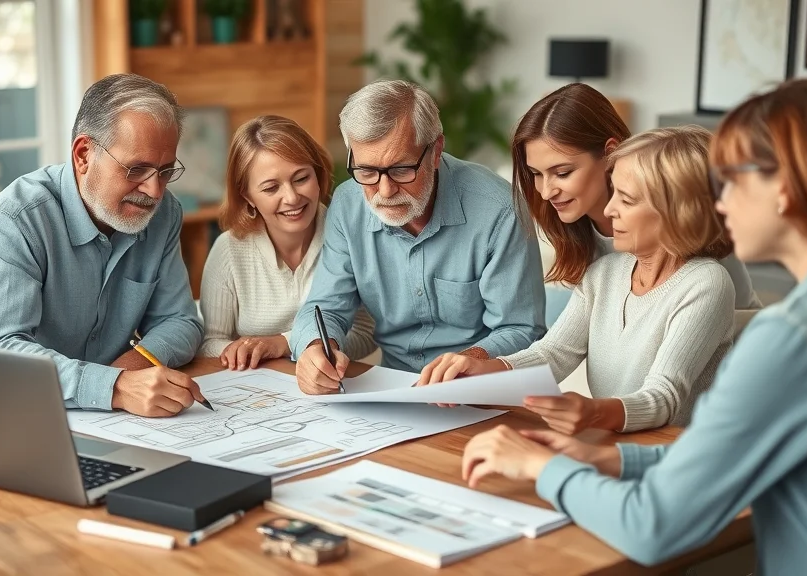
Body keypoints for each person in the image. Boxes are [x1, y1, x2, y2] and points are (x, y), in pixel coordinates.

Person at [459, 79, 807, 574]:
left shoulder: (790, 335)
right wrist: (610, 461)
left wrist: (541, 467)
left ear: (784, 191)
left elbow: (653, 525)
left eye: (732, 181)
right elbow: (721, 456)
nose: (717, 199)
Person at [419, 127, 735, 433]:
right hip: (610, 443)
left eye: (626, 199)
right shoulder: (604, 273)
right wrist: (485, 371)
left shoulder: (706, 283)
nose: (610, 210)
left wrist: (591, 412)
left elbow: (664, 396)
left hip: (670, 456)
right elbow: (552, 354)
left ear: (678, 210)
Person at [0, 73, 205, 418]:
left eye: (165, 172)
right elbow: (3, 352)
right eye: (136, 170)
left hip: (109, 415)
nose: (155, 191)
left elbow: (180, 320)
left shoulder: (164, 214)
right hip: (7, 410)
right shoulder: (15, 219)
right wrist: (114, 386)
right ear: (84, 155)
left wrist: (130, 368)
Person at [288, 79, 546, 394]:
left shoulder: (500, 210)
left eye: (400, 169)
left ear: (436, 151)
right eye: (367, 171)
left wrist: (470, 361)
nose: (384, 191)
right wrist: (315, 346)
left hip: (482, 393)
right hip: (392, 391)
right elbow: (326, 306)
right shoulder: (347, 203)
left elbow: (520, 328)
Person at [511, 83, 759, 322]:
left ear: (610, 152)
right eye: (536, 174)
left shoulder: (675, 212)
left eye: (563, 173)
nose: (545, 192)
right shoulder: (567, 228)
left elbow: (741, 311)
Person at [199, 115, 376, 368]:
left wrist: (284, 343)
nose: (292, 198)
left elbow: (368, 332)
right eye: (271, 188)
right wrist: (240, 350)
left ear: (318, 174)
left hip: (336, 387)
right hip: (260, 393)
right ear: (247, 196)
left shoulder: (350, 233)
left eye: (301, 178)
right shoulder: (229, 249)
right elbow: (208, 342)